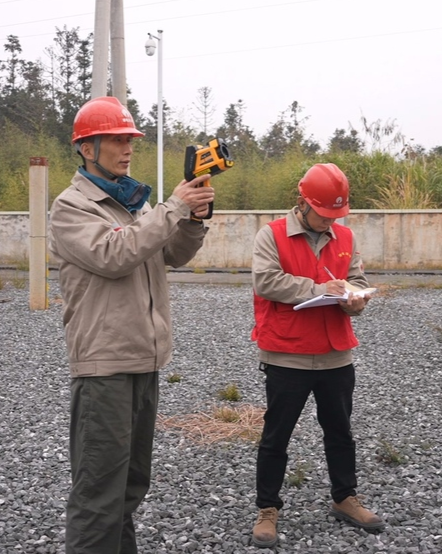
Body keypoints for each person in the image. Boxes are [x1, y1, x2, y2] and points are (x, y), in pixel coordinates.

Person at [48, 96, 216, 554]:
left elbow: (171, 256)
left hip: (144, 359)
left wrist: (193, 220)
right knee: (98, 495)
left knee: (130, 486)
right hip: (104, 366)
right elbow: (114, 256)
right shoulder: (71, 208)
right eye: (118, 140)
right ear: (87, 147)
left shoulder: (131, 204)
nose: (127, 149)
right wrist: (172, 208)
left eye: (130, 140)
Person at [249, 162, 384, 548]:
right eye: (324, 214)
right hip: (286, 354)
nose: (329, 222)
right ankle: (267, 509)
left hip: (336, 354)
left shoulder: (345, 236)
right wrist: (319, 288)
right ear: (303, 202)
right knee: (276, 436)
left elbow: (356, 278)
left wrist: (354, 300)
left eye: (335, 215)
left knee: (340, 432)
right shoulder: (271, 235)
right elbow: (267, 281)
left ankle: (345, 497)